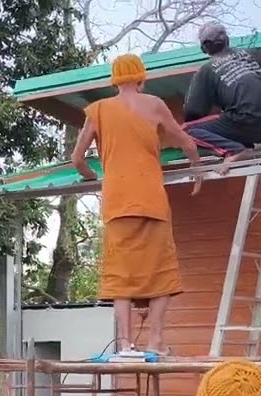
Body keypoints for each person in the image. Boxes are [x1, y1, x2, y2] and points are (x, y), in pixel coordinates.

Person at [71, 54, 201, 357]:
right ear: (142, 79)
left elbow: (78, 159)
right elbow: (187, 143)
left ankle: (126, 344)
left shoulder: (99, 110)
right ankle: (156, 341)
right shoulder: (154, 104)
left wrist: (96, 177)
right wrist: (197, 171)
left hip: (118, 202)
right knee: (161, 273)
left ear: (114, 80)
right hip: (151, 199)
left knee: (121, 276)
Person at [182, 22, 261, 176]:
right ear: (227, 40)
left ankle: (233, 150)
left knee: (186, 130)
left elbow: (193, 111)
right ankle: (241, 145)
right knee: (230, 116)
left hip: (245, 121)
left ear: (204, 48)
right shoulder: (252, 55)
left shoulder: (207, 69)